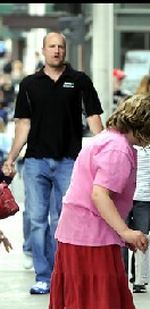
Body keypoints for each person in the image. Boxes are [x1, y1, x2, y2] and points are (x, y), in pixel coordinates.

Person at [48, 94, 150, 309]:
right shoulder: (117, 150)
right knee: (98, 304)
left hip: (92, 232)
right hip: (90, 234)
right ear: (144, 125)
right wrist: (126, 231)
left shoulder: (111, 140)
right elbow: (100, 194)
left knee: (107, 301)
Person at [1, 32, 104, 295]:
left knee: (62, 220)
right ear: (43, 50)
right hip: (35, 163)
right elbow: (23, 124)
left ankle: (61, 275)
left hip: (69, 162)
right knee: (37, 220)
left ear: (65, 50)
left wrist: (107, 152)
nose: (57, 50)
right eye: (52, 46)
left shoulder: (79, 81)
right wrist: (12, 157)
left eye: (60, 46)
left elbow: (93, 118)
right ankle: (43, 276)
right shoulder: (29, 84)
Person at [121, 145, 150, 293]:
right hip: (123, 196)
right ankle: (120, 277)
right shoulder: (122, 139)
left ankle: (140, 279)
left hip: (144, 196)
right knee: (121, 237)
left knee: (143, 234)